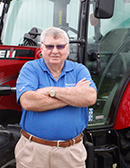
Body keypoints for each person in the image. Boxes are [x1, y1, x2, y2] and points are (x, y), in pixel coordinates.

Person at [15, 27, 97, 168]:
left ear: (67, 48)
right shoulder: (30, 68)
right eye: (49, 46)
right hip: (34, 152)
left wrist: (50, 91)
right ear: (41, 47)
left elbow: (89, 97)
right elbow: (28, 101)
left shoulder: (79, 70)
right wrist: (73, 95)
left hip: (70, 153)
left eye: (60, 46)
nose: (55, 51)